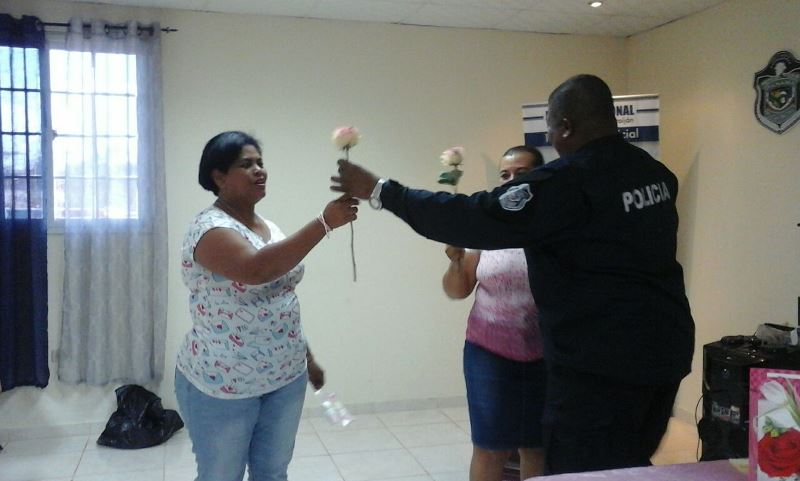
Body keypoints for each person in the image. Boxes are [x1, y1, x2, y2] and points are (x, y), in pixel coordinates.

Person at [331, 74, 695, 475]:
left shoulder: (568, 182)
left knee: (582, 470)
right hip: (663, 352)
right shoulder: (655, 174)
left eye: (551, 130)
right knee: (630, 464)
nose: (552, 139)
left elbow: (475, 215)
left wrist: (381, 190)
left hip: (602, 366)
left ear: (565, 127)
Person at [175, 131, 358, 481]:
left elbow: (278, 297)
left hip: (285, 378)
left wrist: (307, 358)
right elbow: (256, 270)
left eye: (260, 162)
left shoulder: (268, 227)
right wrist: (323, 223)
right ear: (219, 177)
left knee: (272, 473)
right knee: (221, 476)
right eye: (246, 164)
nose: (259, 170)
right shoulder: (209, 230)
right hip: (224, 385)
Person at [442, 146, 546, 481]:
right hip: (488, 353)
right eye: (505, 175)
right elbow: (457, 290)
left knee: (537, 446)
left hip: (546, 354)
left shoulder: (556, 226)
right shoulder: (487, 227)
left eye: (521, 173)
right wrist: (456, 260)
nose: (511, 180)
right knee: (490, 447)